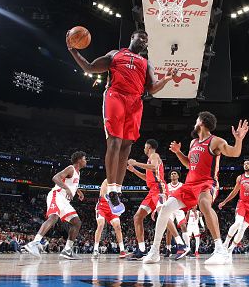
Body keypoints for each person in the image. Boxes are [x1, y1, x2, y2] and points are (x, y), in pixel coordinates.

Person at [66, 29, 176, 210]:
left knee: (127, 146)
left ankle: (117, 190)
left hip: (135, 101)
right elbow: (90, 67)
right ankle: (110, 189)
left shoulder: (146, 63)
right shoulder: (115, 54)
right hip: (115, 96)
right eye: (141, 37)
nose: (143, 41)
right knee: (115, 142)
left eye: (146, 40)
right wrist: (73, 50)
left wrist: (166, 79)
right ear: (132, 37)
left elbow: (153, 88)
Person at [143, 112, 249, 265]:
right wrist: (179, 152)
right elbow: (189, 163)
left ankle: (220, 250)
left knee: (204, 204)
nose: (194, 123)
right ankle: (154, 251)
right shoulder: (193, 143)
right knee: (165, 208)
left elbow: (235, 152)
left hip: (207, 183)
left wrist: (238, 140)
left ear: (202, 122)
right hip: (190, 185)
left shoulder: (215, 141)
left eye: (196, 120)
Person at [127, 140, 189, 260]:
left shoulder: (154, 156)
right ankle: (142, 250)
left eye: (145, 146)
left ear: (148, 146)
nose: (143, 148)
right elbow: (147, 178)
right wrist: (134, 171)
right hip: (152, 191)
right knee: (137, 217)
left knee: (162, 213)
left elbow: (154, 166)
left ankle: (181, 244)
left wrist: (135, 163)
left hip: (159, 188)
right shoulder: (149, 160)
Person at [24, 151, 87, 259]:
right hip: (57, 195)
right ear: (79, 160)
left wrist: (78, 191)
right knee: (53, 217)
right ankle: (34, 243)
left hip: (65, 201)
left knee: (77, 222)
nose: (86, 161)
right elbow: (56, 178)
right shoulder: (70, 168)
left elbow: (70, 183)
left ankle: (67, 250)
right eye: (85, 159)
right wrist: (67, 189)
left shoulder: (78, 173)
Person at [219, 160, 249, 257]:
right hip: (242, 203)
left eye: (247, 163)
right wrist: (224, 201)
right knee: (238, 223)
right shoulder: (240, 177)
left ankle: (231, 249)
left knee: (242, 229)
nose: (245, 165)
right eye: (244, 163)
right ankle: (226, 243)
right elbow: (234, 192)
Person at [93, 179, 128, 258]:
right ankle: (95, 249)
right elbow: (104, 195)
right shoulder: (106, 181)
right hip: (102, 206)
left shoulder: (118, 183)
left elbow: (117, 198)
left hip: (112, 208)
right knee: (101, 225)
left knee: (118, 227)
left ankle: (122, 250)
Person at [164, 171, 189, 257]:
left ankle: (187, 247)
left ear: (178, 176)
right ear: (170, 177)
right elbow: (165, 197)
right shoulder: (167, 186)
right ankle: (168, 249)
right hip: (170, 208)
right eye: (171, 174)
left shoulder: (182, 185)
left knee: (183, 226)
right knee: (169, 229)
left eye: (175, 173)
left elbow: (186, 197)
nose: (173, 175)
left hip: (178, 207)